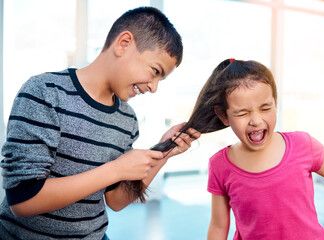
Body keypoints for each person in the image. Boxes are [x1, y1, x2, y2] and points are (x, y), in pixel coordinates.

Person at [0, 6, 200, 239]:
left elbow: (115, 200)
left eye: (161, 80)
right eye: (155, 71)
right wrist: (115, 169)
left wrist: (163, 151)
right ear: (123, 44)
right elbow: (23, 200)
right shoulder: (44, 92)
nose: (154, 87)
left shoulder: (127, 119)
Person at [186, 58, 324, 239]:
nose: (256, 120)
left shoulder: (304, 145)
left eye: (265, 108)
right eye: (242, 113)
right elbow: (218, 226)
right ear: (224, 116)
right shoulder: (219, 165)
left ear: (275, 104)